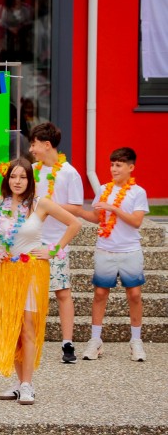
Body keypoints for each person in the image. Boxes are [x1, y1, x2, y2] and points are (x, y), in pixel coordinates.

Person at [0, 158, 79, 405]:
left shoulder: (40, 204)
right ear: (6, 179)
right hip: (9, 271)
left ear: (30, 180)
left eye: (22, 177)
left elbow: (75, 223)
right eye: (13, 176)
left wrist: (53, 250)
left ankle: (28, 384)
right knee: (14, 326)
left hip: (32, 270)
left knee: (28, 325)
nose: (17, 181)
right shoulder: (0, 203)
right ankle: (19, 383)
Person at [76, 148, 149, 362]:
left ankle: (136, 341)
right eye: (112, 165)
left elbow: (136, 221)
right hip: (105, 249)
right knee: (100, 293)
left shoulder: (138, 192)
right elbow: (96, 217)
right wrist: (77, 211)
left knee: (134, 294)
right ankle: (95, 341)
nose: (114, 169)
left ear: (131, 167)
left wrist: (114, 209)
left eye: (119, 165)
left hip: (130, 250)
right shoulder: (103, 189)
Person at [29, 122, 83, 363]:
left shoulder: (69, 173)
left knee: (62, 292)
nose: (31, 149)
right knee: (32, 293)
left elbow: (77, 208)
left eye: (34, 144)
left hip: (58, 241)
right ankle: (30, 340)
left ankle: (67, 343)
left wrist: (48, 207)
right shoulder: (31, 170)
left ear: (47, 144)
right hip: (32, 240)